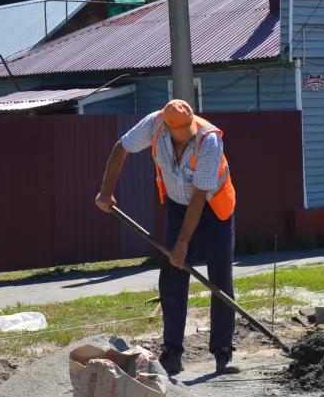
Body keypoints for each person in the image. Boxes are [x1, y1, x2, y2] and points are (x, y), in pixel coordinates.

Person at [95, 99, 237, 375]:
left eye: (189, 129)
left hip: (213, 209)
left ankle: (222, 349)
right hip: (176, 206)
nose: (187, 135)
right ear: (168, 126)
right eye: (181, 132)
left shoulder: (208, 140)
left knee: (220, 278)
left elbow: (199, 196)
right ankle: (172, 350)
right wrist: (106, 190)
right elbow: (120, 148)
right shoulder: (155, 124)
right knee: (172, 277)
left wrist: (182, 244)